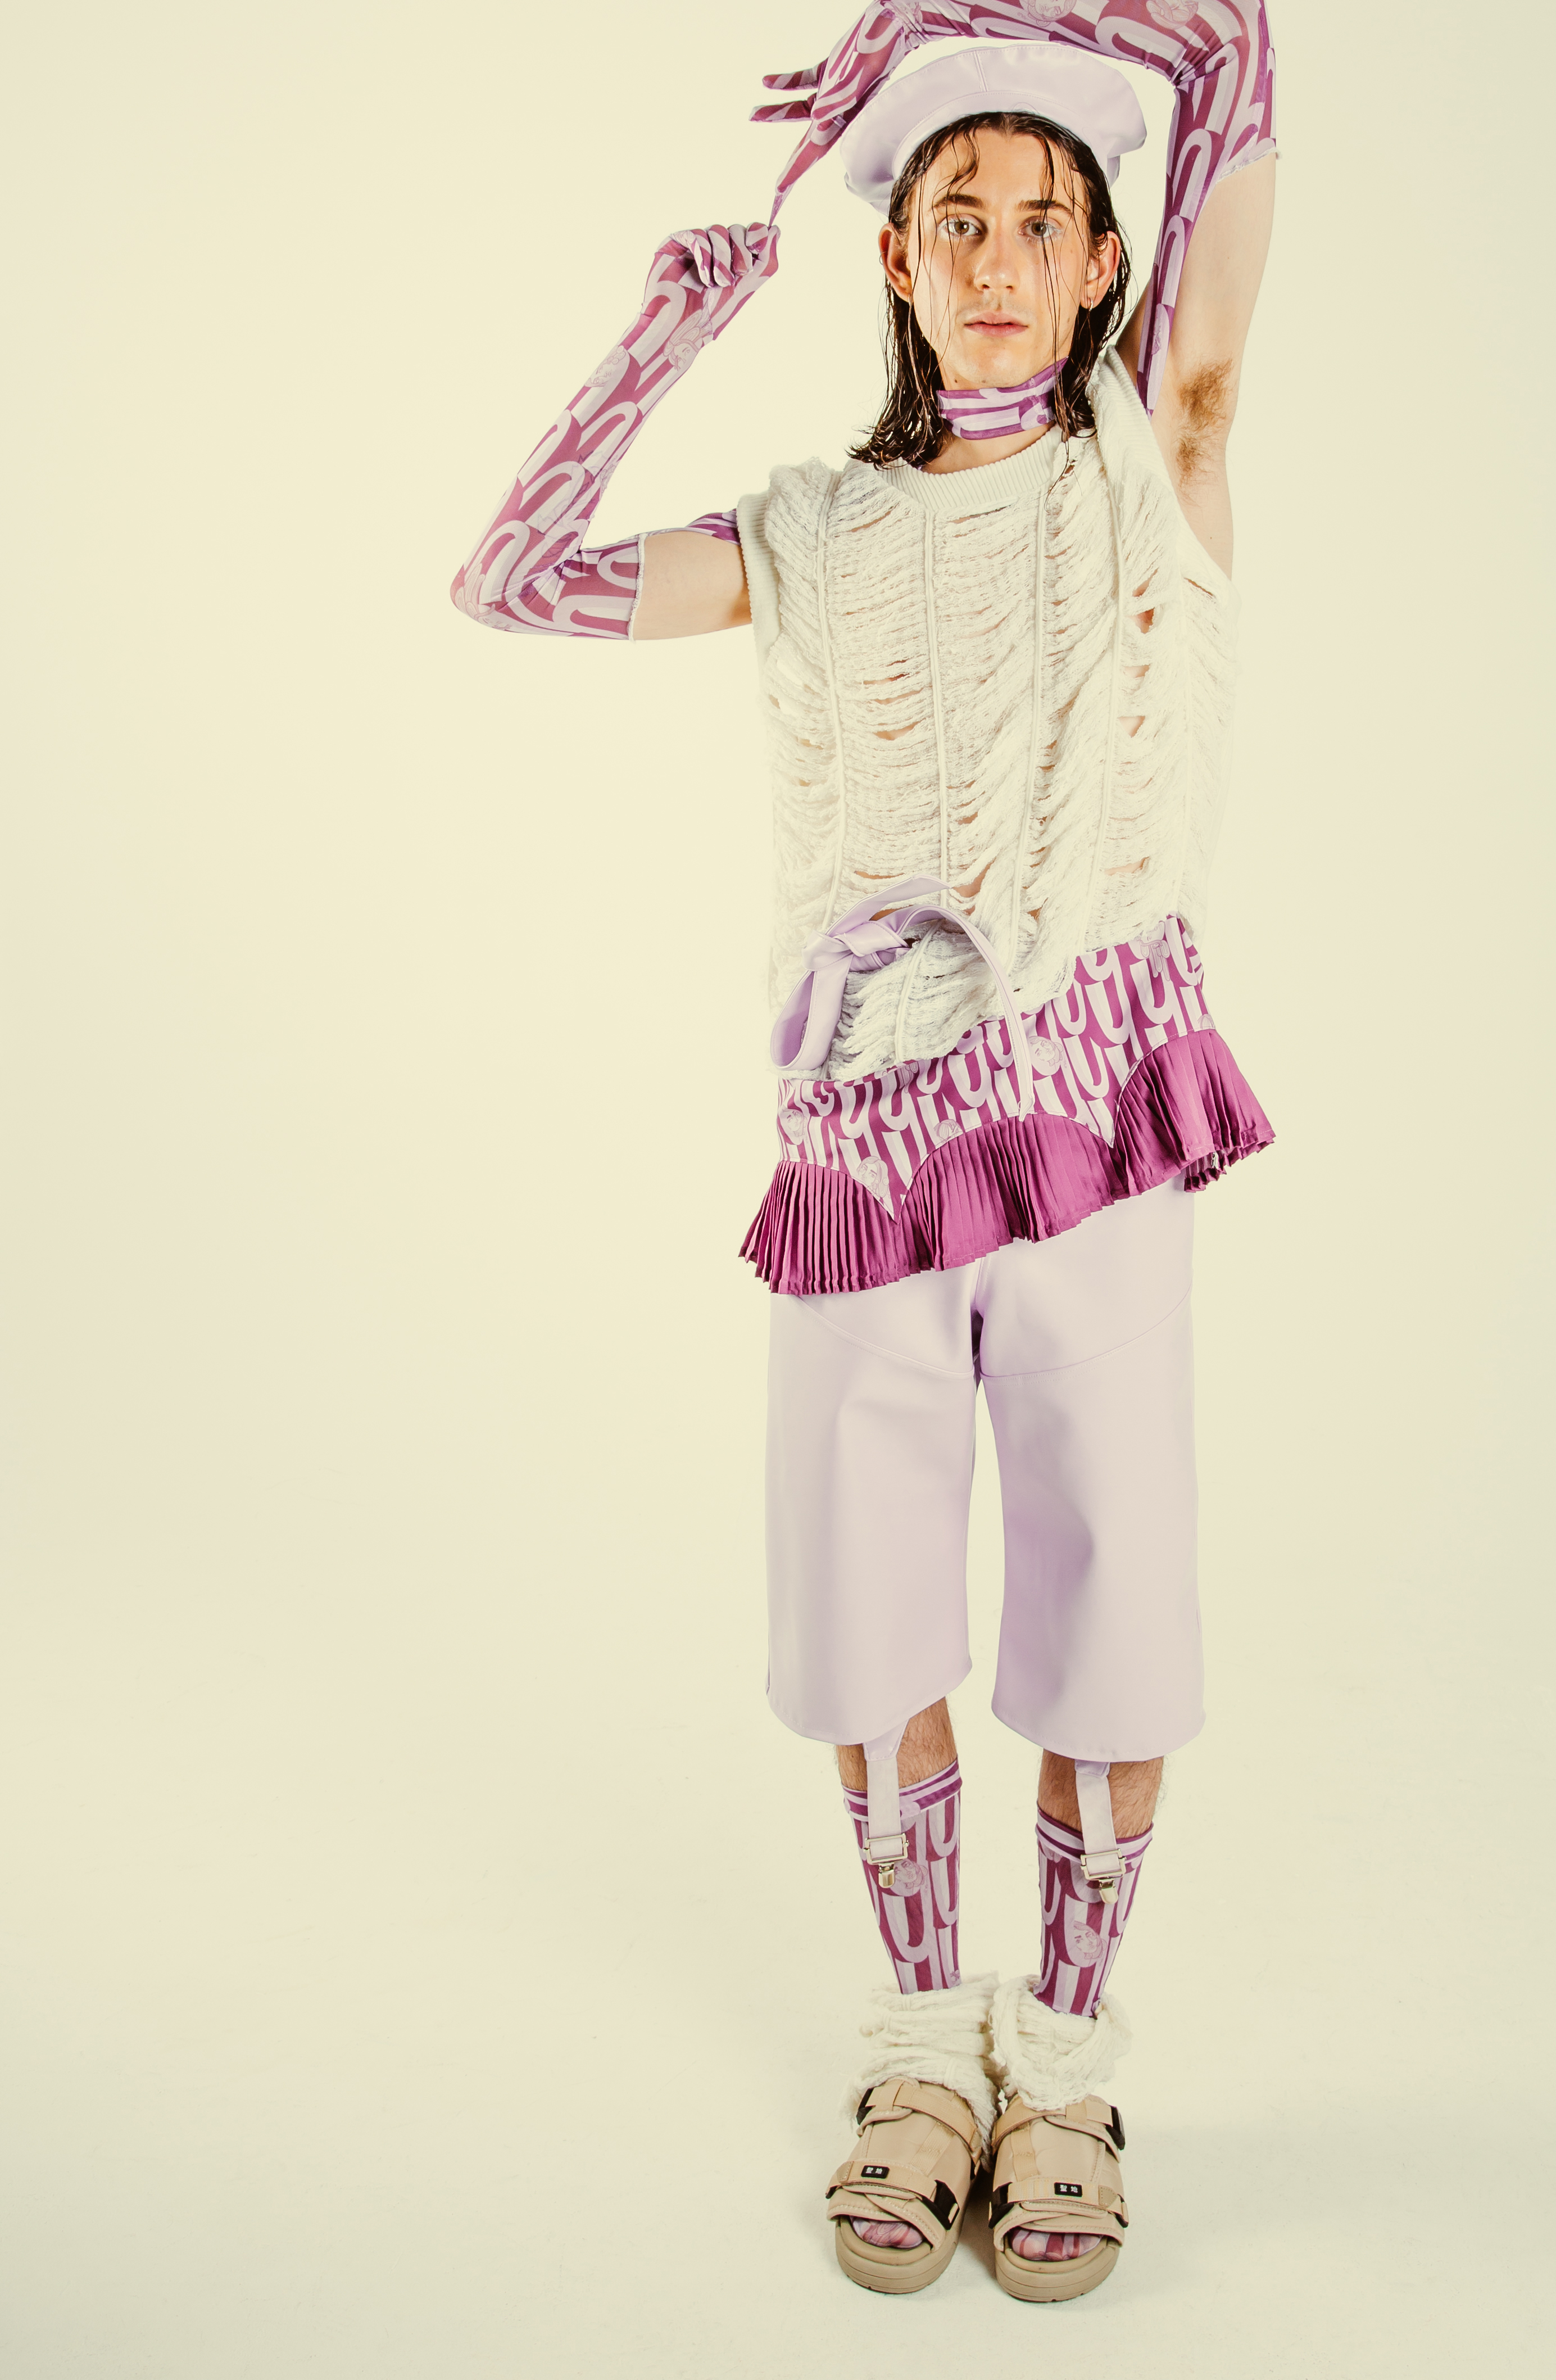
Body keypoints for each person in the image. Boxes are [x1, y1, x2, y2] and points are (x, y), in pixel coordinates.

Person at [452, 1, 1277, 2305]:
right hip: (859, 1148)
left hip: (1091, 1122)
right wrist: (663, 331)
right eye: (955, 217)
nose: (1000, 259)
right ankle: (923, 2047)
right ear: (895, 260)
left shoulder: (1148, 465)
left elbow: (1231, 44)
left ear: (1105, 264)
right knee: (870, 1598)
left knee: (1113, 1602)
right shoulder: (806, 530)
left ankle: (1069, 2064)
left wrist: (941, 30)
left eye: (1044, 220)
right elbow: (508, 579)